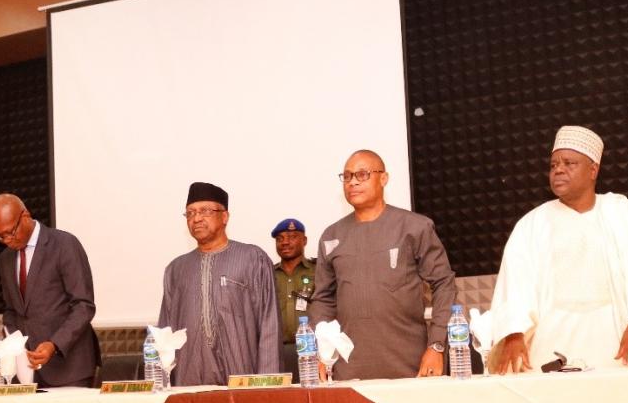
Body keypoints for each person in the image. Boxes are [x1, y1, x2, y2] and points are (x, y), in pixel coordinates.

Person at [488, 126, 628, 373]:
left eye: (569, 163)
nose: (559, 170)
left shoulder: (624, 216)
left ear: (593, 170)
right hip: (551, 344)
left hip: (617, 343)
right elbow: (514, 287)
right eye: (553, 165)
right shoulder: (532, 224)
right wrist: (513, 334)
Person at [309, 150, 457, 380]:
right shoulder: (331, 236)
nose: (353, 182)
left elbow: (444, 284)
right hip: (349, 368)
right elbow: (323, 300)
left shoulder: (414, 227)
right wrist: (321, 351)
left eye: (362, 174)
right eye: (347, 176)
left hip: (411, 364)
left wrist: (436, 345)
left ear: (384, 178)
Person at [158, 182, 280, 385]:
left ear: (224, 216)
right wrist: (161, 385)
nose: (196, 218)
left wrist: (267, 384)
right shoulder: (176, 269)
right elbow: (164, 333)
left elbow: (269, 325)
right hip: (189, 381)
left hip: (243, 379)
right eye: (190, 213)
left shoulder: (252, 258)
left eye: (205, 211)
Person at [0, 194, 100, 387]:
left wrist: (54, 344)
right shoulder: (5, 259)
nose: (6, 240)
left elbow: (84, 305)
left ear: (25, 216)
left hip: (70, 368)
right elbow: (11, 310)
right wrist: (15, 345)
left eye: (10, 232)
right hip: (28, 373)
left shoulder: (64, 244)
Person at [271, 218, 316, 374]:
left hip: (312, 351)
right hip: (277, 352)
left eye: (292, 237)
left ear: (304, 240)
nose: (284, 242)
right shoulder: (267, 274)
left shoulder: (318, 271)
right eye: (280, 239)